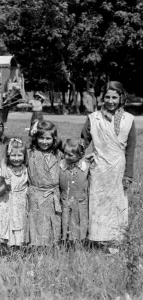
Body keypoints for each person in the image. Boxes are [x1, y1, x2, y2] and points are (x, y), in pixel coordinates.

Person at [81, 81, 136, 253]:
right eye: (107, 97)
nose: (110, 101)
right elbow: (83, 141)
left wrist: (128, 174)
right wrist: (73, 154)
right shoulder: (93, 118)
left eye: (114, 97)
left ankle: (115, 240)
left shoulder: (128, 119)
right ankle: (98, 239)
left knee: (117, 204)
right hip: (99, 167)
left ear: (121, 98)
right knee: (98, 202)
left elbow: (130, 150)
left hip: (118, 168)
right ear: (102, 98)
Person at [26, 121, 62, 248]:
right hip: (36, 193)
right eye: (41, 138)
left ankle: (52, 246)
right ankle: (35, 246)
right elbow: (9, 157)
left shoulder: (59, 154)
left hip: (53, 194)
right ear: (36, 138)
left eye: (48, 138)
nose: (44, 141)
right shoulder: (30, 154)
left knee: (52, 221)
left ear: (54, 139)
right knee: (36, 221)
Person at [0, 138, 28, 257]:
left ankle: (16, 254)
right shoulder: (4, 171)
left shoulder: (26, 170)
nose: (16, 158)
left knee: (18, 228)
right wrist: (5, 186)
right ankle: (2, 254)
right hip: (6, 206)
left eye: (19, 155)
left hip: (20, 206)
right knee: (4, 228)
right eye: (13, 155)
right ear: (8, 155)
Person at [59, 138, 89, 245]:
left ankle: (79, 244)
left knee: (79, 221)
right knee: (65, 220)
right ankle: (65, 243)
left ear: (80, 155)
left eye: (70, 155)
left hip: (80, 200)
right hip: (65, 200)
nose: (66, 157)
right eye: (65, 153)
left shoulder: (85, 166)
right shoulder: (61, 165)